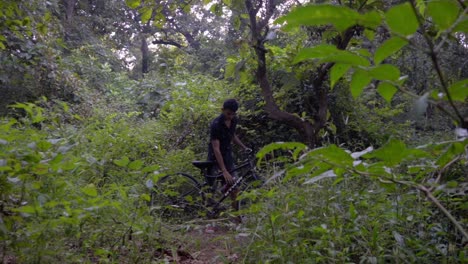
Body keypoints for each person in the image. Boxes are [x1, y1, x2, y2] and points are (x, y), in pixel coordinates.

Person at [207, 99, 250, 211]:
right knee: (210, 188)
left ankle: (236, 214)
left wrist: (243, 147)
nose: (230, 116)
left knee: (234, 185)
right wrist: (224, 170)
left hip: (227, 155)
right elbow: (216, 149)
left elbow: (232, 135)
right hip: (215, 158)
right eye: (228, 113)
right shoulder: (215, 124)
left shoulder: (234, 120)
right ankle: (210, 212)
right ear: (222, 110)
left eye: (233, 114)